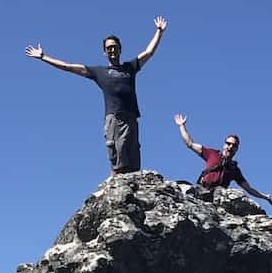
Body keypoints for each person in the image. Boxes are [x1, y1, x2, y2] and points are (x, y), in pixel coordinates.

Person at [26, 17, 168, 173]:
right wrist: (44, 57)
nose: (112, 50)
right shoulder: (99, 72)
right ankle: (116, 189)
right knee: (118, 160)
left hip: (131, 119)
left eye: (114, 47)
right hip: (114, 119)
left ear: (120, 49)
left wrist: (159, 32)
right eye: (109, 48)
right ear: (104, 52)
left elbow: (149, 52)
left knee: (134, 161)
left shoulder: (130, 67)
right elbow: (69, 67)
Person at [173, 113, 272, 206]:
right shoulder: (211, 154)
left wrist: (265, 197)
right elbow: (190, 144)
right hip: (201, 191)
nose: (230, 147)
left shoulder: (234, 169)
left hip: (217, 200)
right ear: (224, 144)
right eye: (228, 143)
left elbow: (248, 189)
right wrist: (182, 126)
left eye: (234, 145)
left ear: (237, 149)